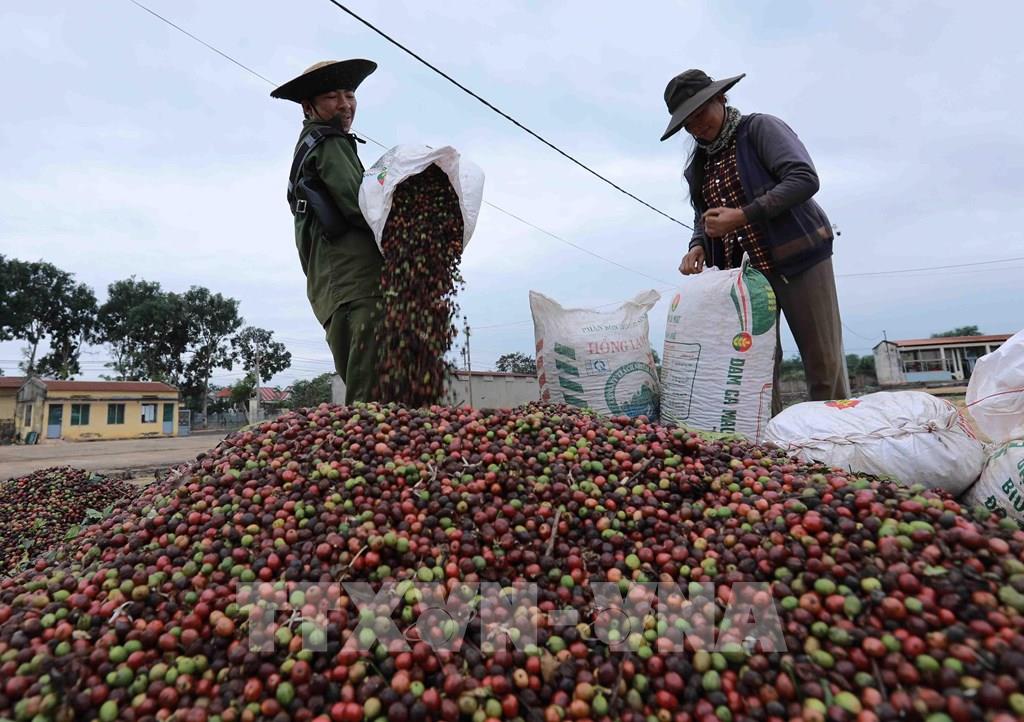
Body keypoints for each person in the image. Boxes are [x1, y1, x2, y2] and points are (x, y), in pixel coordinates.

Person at [661, 68, 850, 414]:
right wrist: (698, 245)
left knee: (822, 359)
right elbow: (703, 215)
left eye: (700, 112)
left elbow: (804, 178)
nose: (696, 126)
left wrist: (744, 215)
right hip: (747, 278)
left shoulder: (759, 129)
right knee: (758, 365)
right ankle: (776, 447)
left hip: (798, 258)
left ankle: (833, 444)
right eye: (687, 122)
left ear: (720, 98)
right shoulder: (698, 165)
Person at [271, 59, 382, 404]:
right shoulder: (329, 142)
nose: (345, 104)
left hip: (338, 285)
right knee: (370, 393)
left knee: (374, 385)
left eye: (349, 95)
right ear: (309, 106)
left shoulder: (321, 143)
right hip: (353, 281)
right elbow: (359, 207)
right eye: (333, 97)